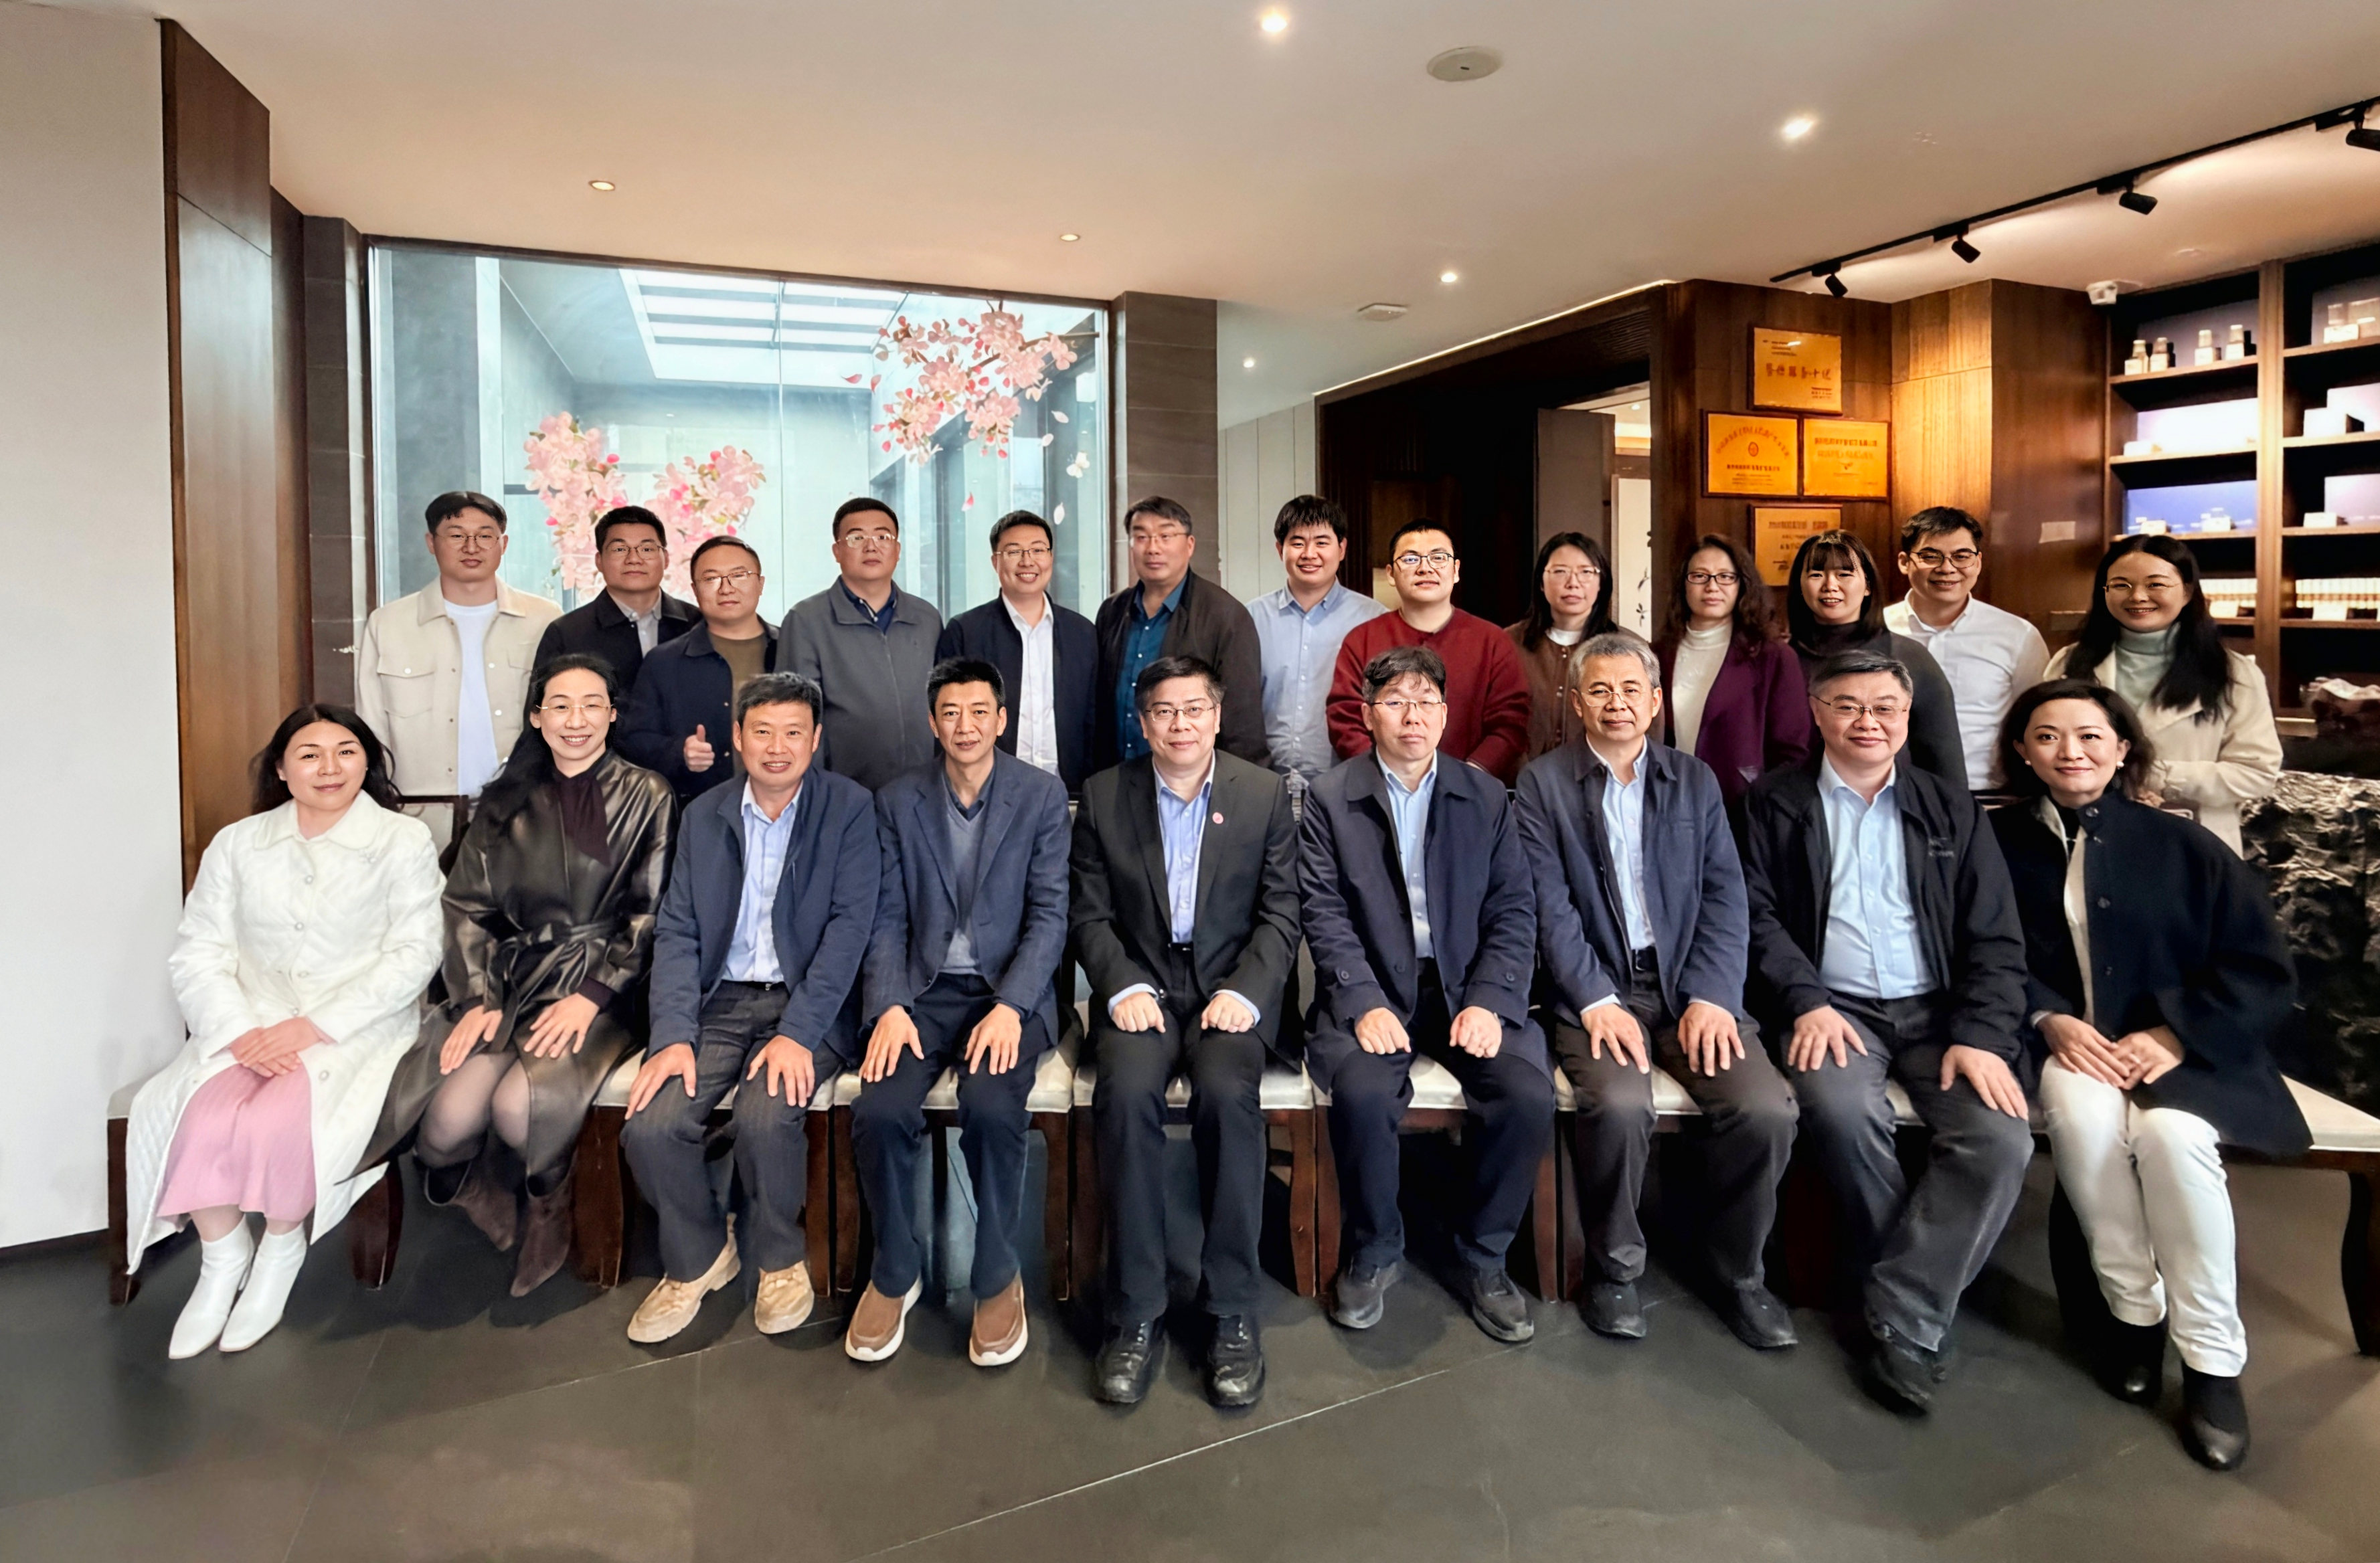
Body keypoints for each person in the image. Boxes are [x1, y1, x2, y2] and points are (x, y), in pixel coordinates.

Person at [1990, 679, 2306, 1471]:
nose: (2070, 751)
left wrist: (2174, 1031)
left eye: (2090, 736)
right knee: (2083, 1122)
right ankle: (2134, 1315)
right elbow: (1974, 951)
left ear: (2122, 747)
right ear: (2022, 751)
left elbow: (2262, 969)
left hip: (2190, 1050)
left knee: (2171, 1140)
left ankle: (2212, 1358)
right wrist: (2046, 1015)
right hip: (2068, 1047)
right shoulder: (1993, 842)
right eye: (2048, 736)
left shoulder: (2184, 844)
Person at [1739, 650, 2034, 1414]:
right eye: (1846, 706)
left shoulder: (1949, 806)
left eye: (1884, 708)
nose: (1866, 721)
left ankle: (1896, 1305)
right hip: (1833, 1008)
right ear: (1816, 712)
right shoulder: (1773, 803)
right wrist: (1805, 999)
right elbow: (1756, 918)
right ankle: (1915, 1306)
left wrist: (1980, 1034)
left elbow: (1995, 935)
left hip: (1942, 1016)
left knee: (2000, 1135)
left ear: (1906, 717)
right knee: (1839, 1111)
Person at [127, 707, 442, 1359]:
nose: (329, 767)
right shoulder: (238, 843)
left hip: (354, 1026)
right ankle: (222, 1258)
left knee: (284, 1118)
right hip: (252, 1022)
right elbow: (199, 951)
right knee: (196, 1115)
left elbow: (416, 954)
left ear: (367, 761)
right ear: (280, 768)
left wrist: (313, 1025)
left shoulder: (402, 840)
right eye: (309, 753)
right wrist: (238, 1030)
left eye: (346, 750)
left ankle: (279, 1250)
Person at [1515, 634, 1799, 1348]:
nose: (1616, 703)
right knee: (1616, 1104)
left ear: (1654, 701)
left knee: (1764, 1110)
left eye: (1630, 690)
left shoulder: (1693, 780)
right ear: (1576, 702)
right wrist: (1594, 998)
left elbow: (1725, 895)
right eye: (1599, 690)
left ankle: (1738, 1271)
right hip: (1596, 989)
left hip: (1689, 988)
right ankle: (1615, 1269)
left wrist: (1712, 995)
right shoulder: (1542, 783)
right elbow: (1547, 906)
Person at [364, 655, 675, 1297]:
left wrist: (591, 996)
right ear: (536, 717)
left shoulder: (649, 794)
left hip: (605, 984)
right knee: (443, 1123)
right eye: (560, 706)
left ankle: (549, 1204)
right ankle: (476, 1190)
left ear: (613, 714)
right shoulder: (504, 802)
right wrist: (477, 997)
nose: (575, 720)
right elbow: (466, 908)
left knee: (516, 1108)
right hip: (513, 980)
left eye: (591, 705)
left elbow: (652, 913)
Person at [618, 672, 881, 1344]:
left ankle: (779, 1258)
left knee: (767, 1115)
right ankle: (699, 1256)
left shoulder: (849, 808)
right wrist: (671, 1034)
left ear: (816, 740)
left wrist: (798, 1033)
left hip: (807, 1002)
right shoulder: (705, 813)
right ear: (737, 737)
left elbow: (850, 930)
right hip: (721, 1000)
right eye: (762, 731)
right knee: (651, 1123)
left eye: (794, 732)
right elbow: (679, 930)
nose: (777, 746)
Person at [1302, 646, 1554, 1342]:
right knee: (1361, 1091)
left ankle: (1484, 1254)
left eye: (1426, 702)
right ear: (1367, 714)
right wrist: (1361, 999)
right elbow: (1322, 910)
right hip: (1374, 987)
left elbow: (1514, 908)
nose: (1412, 715)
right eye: (1395, 701)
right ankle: (1376, 1247)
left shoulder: (1485, 796)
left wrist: (1490, 999)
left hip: (1465, 986)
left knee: (1525, 1093)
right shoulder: (1331, 796)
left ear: (1445, 714)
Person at [1072, 655, 1299, 1407]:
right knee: (1125, 1093)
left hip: (1228, 988)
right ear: (1143, 724)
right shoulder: (1105, 794)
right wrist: (1120, 984)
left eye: (1194, 709)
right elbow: (1089, 914)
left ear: (1217, 714)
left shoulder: (1262, 793)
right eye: (1164, 712)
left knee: (1227, 1096)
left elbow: (1281, 912)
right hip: (1142, 983)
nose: (1180, 725)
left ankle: (1231, 1307)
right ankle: (1135, 1310)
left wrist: (1248, 991)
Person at [847, 658, 1072, 1366]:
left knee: (993, 1106)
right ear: (932, 722)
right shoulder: (897, 800)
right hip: (921, 992)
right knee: (880, 1109)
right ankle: (895, 1268)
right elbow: (885, 916)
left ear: (1002, 719)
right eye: (950, 713)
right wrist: (889, 1003)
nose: (965, 726)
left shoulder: (1040, 795)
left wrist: (1011, 1006)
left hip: (1007, 992)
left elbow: (1050, 915)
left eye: (979, 712)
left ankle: (998, 1273)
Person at [2041, 535, 2280, 854]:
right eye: (2121, 585)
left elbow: (2256, 772)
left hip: (2191, 843)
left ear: (2187, 592)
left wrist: (2155, 776)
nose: (2138, 596)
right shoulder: (2069, 663)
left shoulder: (2234, 673)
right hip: (2087, 834)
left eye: (2156, 584)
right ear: (2104, 592)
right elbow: (2044, 746)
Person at [355, 491, 561, 844]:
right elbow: (372, 730)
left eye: (485, 535)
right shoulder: (388, 624)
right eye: (456, 535)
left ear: (503, 544)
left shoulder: (544, 619)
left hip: (524, 812)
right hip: (418, 819)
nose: (471, 547)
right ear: (431, 543)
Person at [1328, 520, 1533, 785]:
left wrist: (1467, 778)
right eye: (1411, 559)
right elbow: (1345, 718)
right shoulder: (1361, 640)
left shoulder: (1493, 641)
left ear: (1456, 570)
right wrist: (1385, 778)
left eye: (1438, 557)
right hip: (1380, 788)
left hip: (1471, 789)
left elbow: (1511, 723)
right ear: (1391, 574)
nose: (1425, 568)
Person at [1092, 496, 1269, 771]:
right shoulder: (1112, 611)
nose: (1153, 548)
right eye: (1141, 537)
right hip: (1119, 777)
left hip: (1192, 780)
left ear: (1189, 545)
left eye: (1165, 536)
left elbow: (1242, 724)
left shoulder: (1226, 615)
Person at [779, 497, 944, 790]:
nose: (871, 546)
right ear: (837, 551)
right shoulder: (807, 620)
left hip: (925, 792)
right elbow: (797, 719)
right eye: (857, 538)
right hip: (845, 795)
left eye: (883, 537)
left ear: (897, 550)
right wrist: (819, 796)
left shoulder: (926, 617)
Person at [1783, 530, 1965, 788]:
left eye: (1844, 574)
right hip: (1794, 801)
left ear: (1868, 585)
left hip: (1892, 800)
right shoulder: (1781, 658)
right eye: (1816, 574)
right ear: (1800, 586)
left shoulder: (1909, 656)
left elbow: (1943, 760)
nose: (1830, 585)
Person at [933, 509, 1098, 794]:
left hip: (1069, 792)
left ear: (1051, 557)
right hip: (989, 791)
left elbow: (1095, 720)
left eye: (1038, 550)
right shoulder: (965, 631)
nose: (1027, 561)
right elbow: (946, 716)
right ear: (995, 562)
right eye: (1014, 552)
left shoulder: (1082, 632)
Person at [1883, 508, 2049, 790]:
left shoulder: (2017, 636)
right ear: (1904, 562)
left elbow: (2039, 720)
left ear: (1978, 562)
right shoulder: (1876, 632)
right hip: (1891, 792)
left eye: (1961, 556)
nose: (1947, 568)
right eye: (1931, 556)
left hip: (1988, 793)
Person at [618, 535, 778, 804]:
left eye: (739, 576)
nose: (726, 588)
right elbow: (635, 740)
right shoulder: (664, 661)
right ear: (695, 589)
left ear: (760, 584)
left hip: (787, 806)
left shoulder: (792, 648)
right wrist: (679, 752)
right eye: (711, 578)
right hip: (700, 810)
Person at [1654, 535, 1812, 806]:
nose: (1712, 586)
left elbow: (1792, 755)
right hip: (1669, 803)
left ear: (1742, 585)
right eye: (1699, 576)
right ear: (1683, 585)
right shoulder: (1655, 656)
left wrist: (1762, 807)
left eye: (1726, 577)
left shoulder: (1773, 658)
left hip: (1742, 809)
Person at [1249, 494, 1385, 795]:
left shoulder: (1374, 620)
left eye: (1322, 542)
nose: (1309, 554)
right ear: (1280, 549)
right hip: (1264, 785)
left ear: (1342, 549)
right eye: (1297, 543)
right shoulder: (1250, 619)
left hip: (1348, 784)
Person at [533, 505, 697, 683]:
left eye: (647, 549)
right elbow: (543, 700)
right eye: (620, 549)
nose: (634, 559)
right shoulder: (566, 633)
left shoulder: (698, 624)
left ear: (666, 559)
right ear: (599, 561)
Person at [1504, 531, 1617, 763]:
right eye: (1560, 572)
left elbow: (1647, 728)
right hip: (1518, 780)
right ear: (1541, 582)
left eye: (1586, 572)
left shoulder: (1626, 649)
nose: (1573, 583)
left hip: (1601, 779)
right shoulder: (1507, 643)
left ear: (1601, 582)